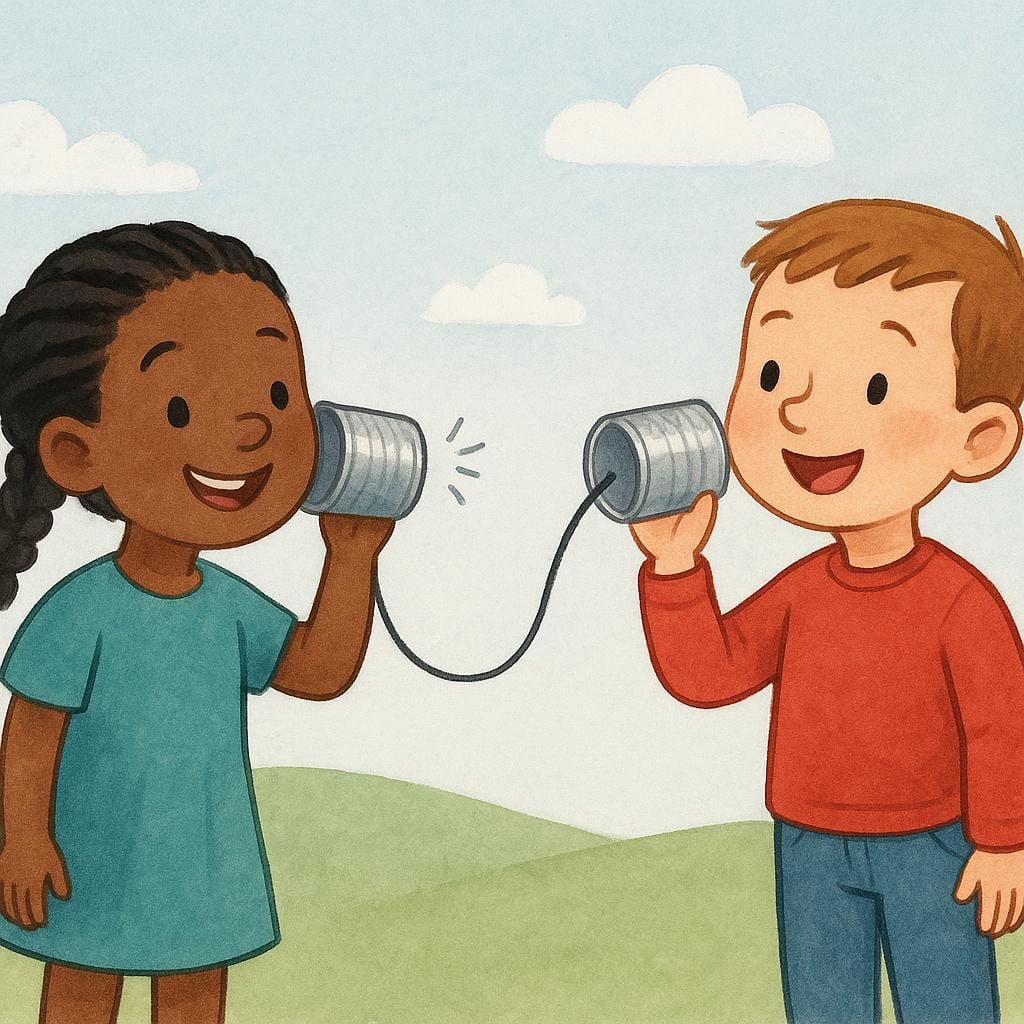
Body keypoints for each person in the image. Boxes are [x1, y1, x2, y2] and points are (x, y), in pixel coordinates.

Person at [631, 199, 1024, 1023]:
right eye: (772, 375)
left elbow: (1004, 723)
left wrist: (1003, 840)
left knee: (947, 1008)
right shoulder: (803, 589)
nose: (799, 412)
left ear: (978, 439)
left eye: (875, 384)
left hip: (935, 845)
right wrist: (675, 567)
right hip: (807, 842)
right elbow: (713, 672)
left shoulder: (960, 601)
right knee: (823, 1011)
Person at [0, 222, 394, 1024]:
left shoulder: (228, 605)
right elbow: (32, 729)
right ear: (78, 452)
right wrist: (23, 839)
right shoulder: (84, 610)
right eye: (183, 406)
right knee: (79, 995)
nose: (255, 429)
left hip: (202, 873)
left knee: (195, 1003)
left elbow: (318, 672)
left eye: (278, 397)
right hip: (90, 863)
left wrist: (350, 558)